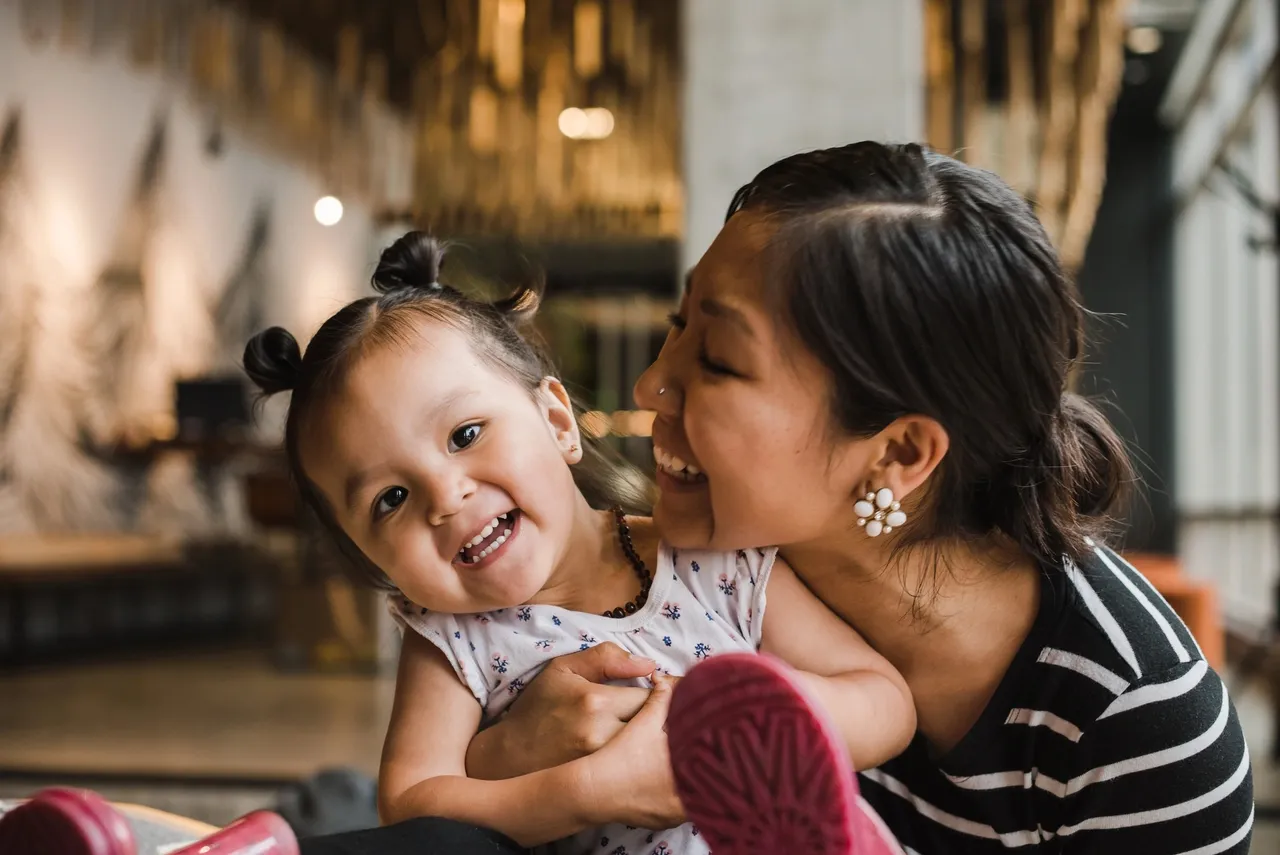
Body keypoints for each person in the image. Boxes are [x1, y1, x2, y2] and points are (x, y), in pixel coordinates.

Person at [465, 142, 1255, 853]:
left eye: (718, 360)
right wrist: (508, 752)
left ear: (899, 452)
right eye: (677, 324)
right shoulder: (691, 579)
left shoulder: (1136, 722)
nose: (651, 385)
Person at [243, 232, 915, 854]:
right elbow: (414, 802)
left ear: (557, 420)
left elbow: (885, 699)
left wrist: (752, 722)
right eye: (391, 499)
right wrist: (586, 792)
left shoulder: (715, 564)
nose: (445, 498)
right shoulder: (454, 638)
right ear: (373, 558)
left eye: (466, 434)